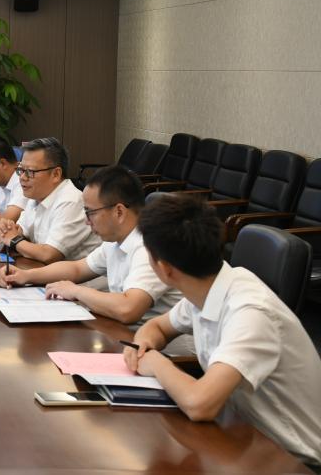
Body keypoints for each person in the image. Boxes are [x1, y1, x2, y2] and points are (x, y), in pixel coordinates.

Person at [124, 194, 321, 469]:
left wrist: (156, 363)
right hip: (245, 438)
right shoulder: (207, 286)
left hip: (295, 460)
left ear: (164, 268)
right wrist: (144, 345)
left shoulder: (252, 312)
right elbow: (156, 326)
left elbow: (200, 404)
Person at [0, 165, 180, 326]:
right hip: (126, 335)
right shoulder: (116, 241)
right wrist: (25, 276)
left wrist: (76, 291)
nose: (86, 221)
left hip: (163, 350)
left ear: (119, 212)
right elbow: (77, 269)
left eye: (90, 212)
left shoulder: (148, 247)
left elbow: (128, 309)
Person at [0, 137, 100, 263]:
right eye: (21, 170)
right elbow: (19, 232)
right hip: (43, 269)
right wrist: (4, 230)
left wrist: (13, 239)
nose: (22, 177)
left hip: (76, 275)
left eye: (30, 171)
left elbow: (49, 255)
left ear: (56, 174)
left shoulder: (71, 201)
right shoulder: (37, 196)